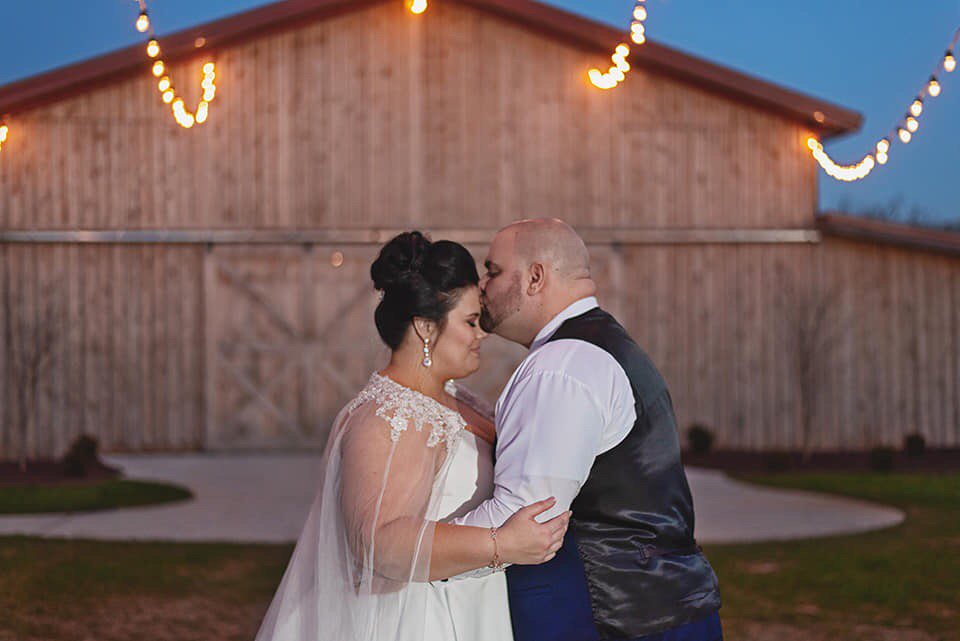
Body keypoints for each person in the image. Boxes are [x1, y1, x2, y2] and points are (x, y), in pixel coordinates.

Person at [253, 231, 570, 641]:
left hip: (469, 603)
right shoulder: (387, 417)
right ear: (424, 327)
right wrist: (501, 544)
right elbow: (378, 544)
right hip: (418, 621)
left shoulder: (458, 396)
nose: (482, 334)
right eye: (471, 322)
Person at [451, 219, 723, 641]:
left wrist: (417, 550)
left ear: (535, 276)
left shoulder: (561, 367)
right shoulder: (603, 346)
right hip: (661, 610)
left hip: (605, 620)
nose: (483, 286)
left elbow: (524, 518)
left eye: (493, 270)